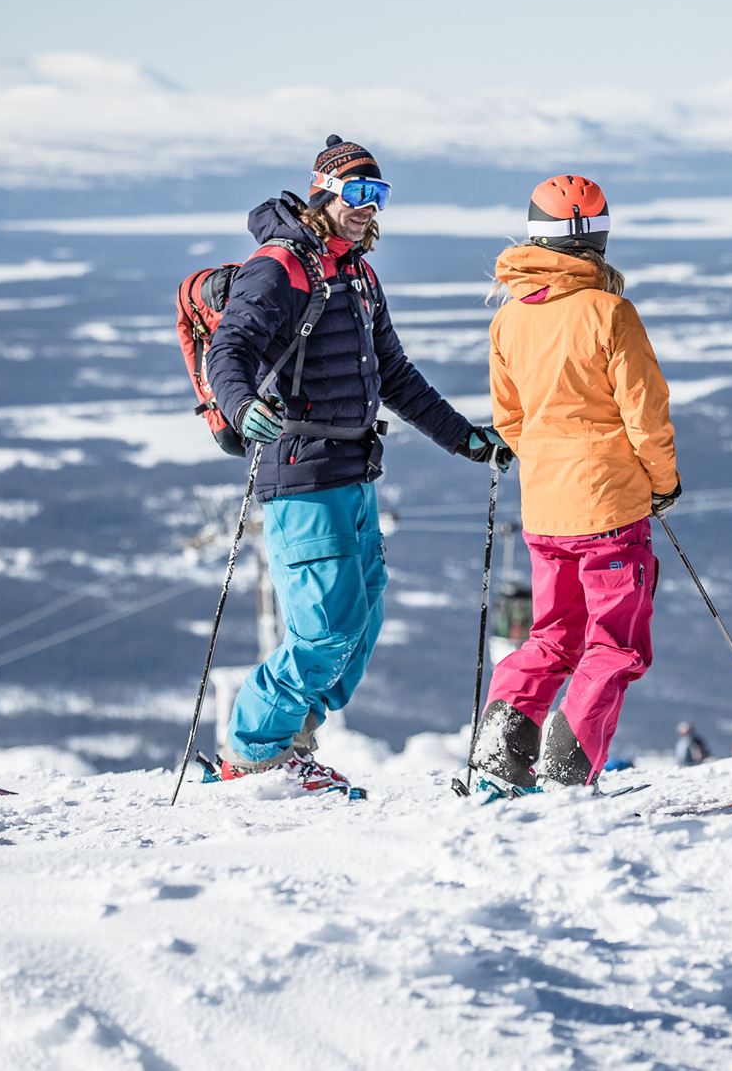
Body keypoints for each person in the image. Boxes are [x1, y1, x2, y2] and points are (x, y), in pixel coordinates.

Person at [205, 136, 509, 790]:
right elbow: (228, 350)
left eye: (380, 195)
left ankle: (290, 742)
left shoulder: (359, 276)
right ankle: (253, 753)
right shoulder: (279, 268)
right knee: (326, 629)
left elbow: (395, 375)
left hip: (354, 470)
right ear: (324, 194)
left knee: (362, 620)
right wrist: (239, 406)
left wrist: (464, 439)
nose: (369, 207)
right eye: (358, 193)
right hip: (301, 472)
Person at [468, 176, 680, 792]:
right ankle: (568, 766)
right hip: (610, 509)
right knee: (615, 644)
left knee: (554, 635)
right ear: (600, 239)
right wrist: (661, 482)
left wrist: (547, 466)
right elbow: (646, 414)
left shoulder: (509, 319)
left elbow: (510, 420)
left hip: (545, 510)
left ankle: (501, 748)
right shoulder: (610, 313)